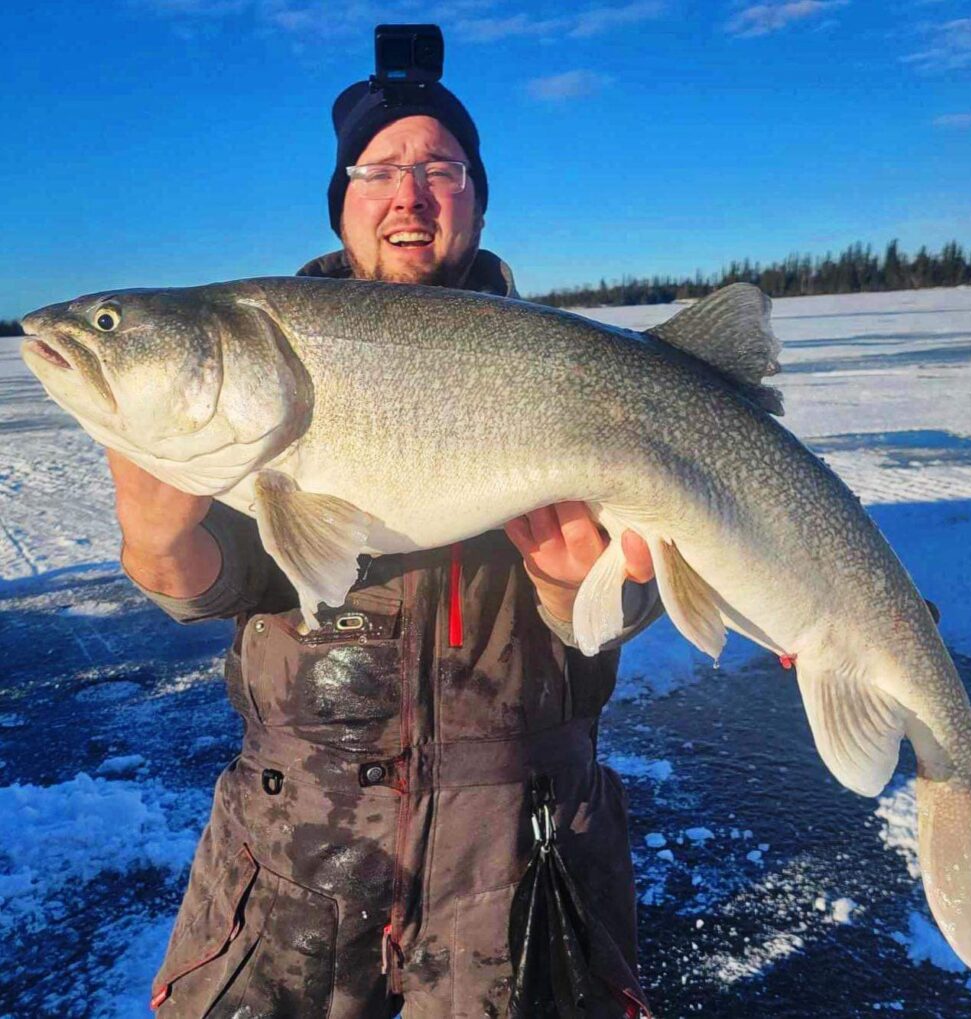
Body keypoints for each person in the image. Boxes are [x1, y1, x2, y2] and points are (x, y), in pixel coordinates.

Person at [108, 70, 661, 1019]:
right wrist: (158, 547)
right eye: (377, 170)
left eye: (441, 167)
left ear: (477, 200)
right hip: (292, 853)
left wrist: (590, 593)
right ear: (343, 205)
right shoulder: (261, 364)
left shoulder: (575, 365)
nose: (409, 193)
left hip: (522, 863)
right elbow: (232, 578)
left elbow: (649, 582)